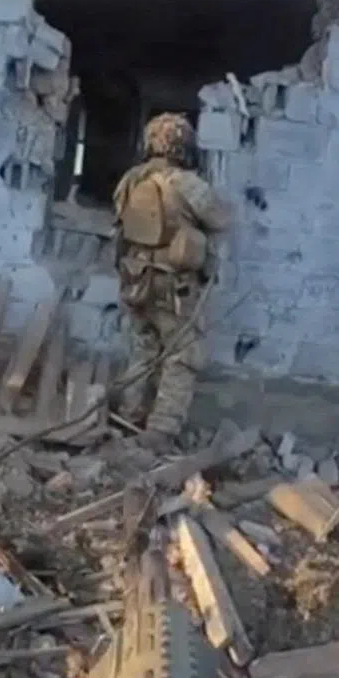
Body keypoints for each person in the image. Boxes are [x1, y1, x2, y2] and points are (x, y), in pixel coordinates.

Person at [112, 113, 231, 447]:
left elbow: (119, 219)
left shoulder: (131, 180)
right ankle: (161, 430)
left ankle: (128, 413)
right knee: (182, 354)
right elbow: (221, 218)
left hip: (135, 278)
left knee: (143, 346)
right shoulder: (187, 184)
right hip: (174, 285)